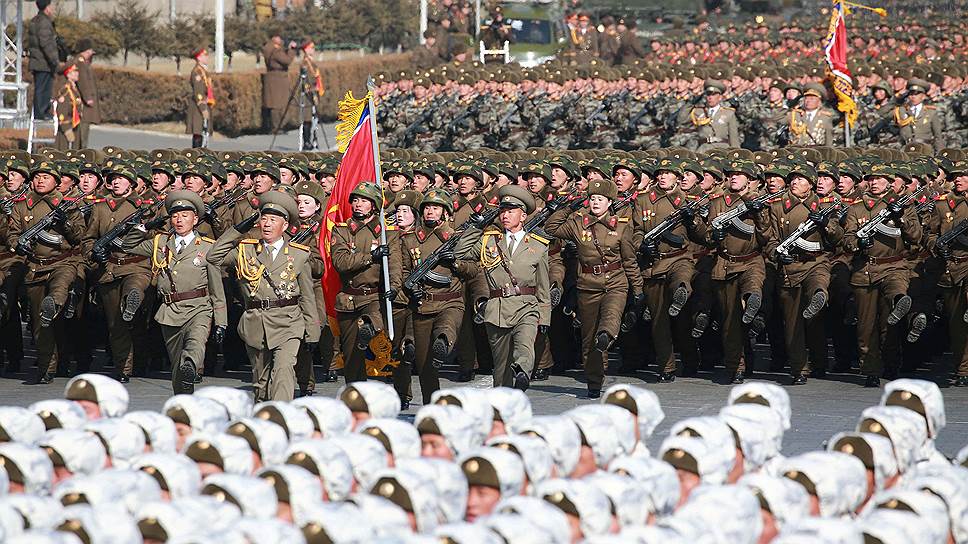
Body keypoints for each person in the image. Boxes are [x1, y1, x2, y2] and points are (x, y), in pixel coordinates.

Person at [207, 191, 321, 401]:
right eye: (264, 219)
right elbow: (213, 257)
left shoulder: (299, 254)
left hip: (288, 321)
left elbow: (306, 295)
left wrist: (312, 331)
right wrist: (236, 230)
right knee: (261, 383)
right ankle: (264, 414)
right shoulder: (246, 250)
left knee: (284, 372)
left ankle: (281, 416)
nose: (267, 224)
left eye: (273, 220)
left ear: (285, 226)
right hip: (256, 321)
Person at [120, 190, 226, 394]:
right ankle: (183, 398)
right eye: (175, 215)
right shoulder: (160, 243)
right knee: (177, 364)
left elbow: (216, 288)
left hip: (199, 307)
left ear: (195, 219)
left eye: (185, 215)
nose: (179, 220)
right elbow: (127, 245)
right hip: (170, 310)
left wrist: (221, 321)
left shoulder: (207, 247)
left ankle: (192, 366)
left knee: (195, 344)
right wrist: (145, 226)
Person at [458, 184, 550, 390]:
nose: (505, 215)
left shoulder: (538, 245)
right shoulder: (489, 241)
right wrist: (476, 227)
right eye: (502, 211)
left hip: (527, 305)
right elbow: (460, 252)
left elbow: (543, 286)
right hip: (497, 309)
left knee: (524, 346)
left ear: (523, 215)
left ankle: (523, 372)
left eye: (511, 211)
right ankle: (506, 399)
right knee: (501, 367)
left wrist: (544, 316)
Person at [8, 160, 84, 384]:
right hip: (34, 267)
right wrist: (18, 244)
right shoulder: (22, 206)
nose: (41, 180)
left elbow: (79, 236)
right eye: (38, 176)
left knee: (58, 291)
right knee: (42, 323)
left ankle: (57, 301)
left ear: (57, 182)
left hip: (63, 262)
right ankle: (46, 368)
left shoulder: (67, 205)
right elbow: (13, 232)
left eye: (46, 177)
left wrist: (66, 223)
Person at [330, 182, 402, 384]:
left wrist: (394, 287)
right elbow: (341, 262)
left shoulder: (387, 234)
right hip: (349, 297)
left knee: (374, 323)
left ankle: (369, 327)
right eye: (356, 200)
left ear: (374, 205)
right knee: (352, 352)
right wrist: (371, 256)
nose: (358, 204)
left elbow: (395, 265)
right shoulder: (341, 231)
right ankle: (355, 390)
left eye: (364, 201)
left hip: (374, 296)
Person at [677, 80, 740, 151]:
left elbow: (733, 138)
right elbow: (681, 119)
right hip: (704, 149)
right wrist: (691, 103)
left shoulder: (728, 113)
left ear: (720, 97)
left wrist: (735, 153)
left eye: (713, 94)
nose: (710, 97)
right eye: (708, 94)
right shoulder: (698, 111)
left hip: (723, 149)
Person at [28, 0, 60, 120]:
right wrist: (54, 61)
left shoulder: (36, 20)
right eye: (51, 6)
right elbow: (46, 43)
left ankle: (42, 112)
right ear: (46, 8)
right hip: (43, 63)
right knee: (43, 89)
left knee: (41, 88)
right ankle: (42, 113)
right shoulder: (44, 22)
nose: (52, 9)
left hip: (38, 61)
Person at [262, 35, 298, 132]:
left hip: (272, 78)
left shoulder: (268, 48)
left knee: (274, 103)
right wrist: (291, 50)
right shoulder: (275, 50)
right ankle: (277, 127)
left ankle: (275, 126)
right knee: (278, 104)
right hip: (278, 79)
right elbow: (286, 61)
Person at [72, 38, 100, 149]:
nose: (90, 55)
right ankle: (81, 154)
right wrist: (88, 97)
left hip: (84, 102)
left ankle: (80, 151)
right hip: (83, 104)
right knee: (82, 131)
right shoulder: (81, 63)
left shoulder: (82, 62)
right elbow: (83, 81)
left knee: (83, 130)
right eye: (89, 52)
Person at [299, 41, 325, 151]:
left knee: (313, 118)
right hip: (308, 94)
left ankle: (313, 140)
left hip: (313, 92)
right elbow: (306, 80)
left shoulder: (311, 61)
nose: (313, 49)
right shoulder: (305, 62)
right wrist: (311, 89)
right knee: (307, 118)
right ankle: (307, 142)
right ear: (306, 49)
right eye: (311, 48)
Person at [187, 48, 215, 149]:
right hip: (198, 107)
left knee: (203, 134)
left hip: (205, 104)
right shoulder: (197, 72)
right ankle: (196, 157)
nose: (207, 58)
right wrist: (203, 108)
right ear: (199, 57)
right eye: (205, 56)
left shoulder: (204, 71)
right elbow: (198, 92)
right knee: (198, 134)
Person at [53, 62, 82, 151]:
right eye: (74, 71)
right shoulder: (66, 89)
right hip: (67, 127)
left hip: (74, 125)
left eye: (77, 71)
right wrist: (66, 129)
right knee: (63, 153)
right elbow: (62, 109)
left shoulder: (74, 87)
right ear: (68, 74)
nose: (77, 73)